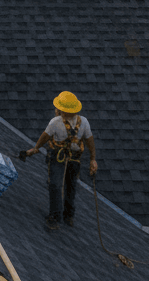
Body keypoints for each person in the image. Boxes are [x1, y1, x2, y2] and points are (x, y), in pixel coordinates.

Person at [23, 91, 98, 231]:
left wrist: (34, 149)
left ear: (63, 111)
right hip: (71, 158)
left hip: (60, 157)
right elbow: (89, 142)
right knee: (67, 186)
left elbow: (44, 138)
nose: (55, 110)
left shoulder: (56, 123)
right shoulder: (82, 122)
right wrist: (93, 159)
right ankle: (65, 216)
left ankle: (58, 217)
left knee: (59, 185)